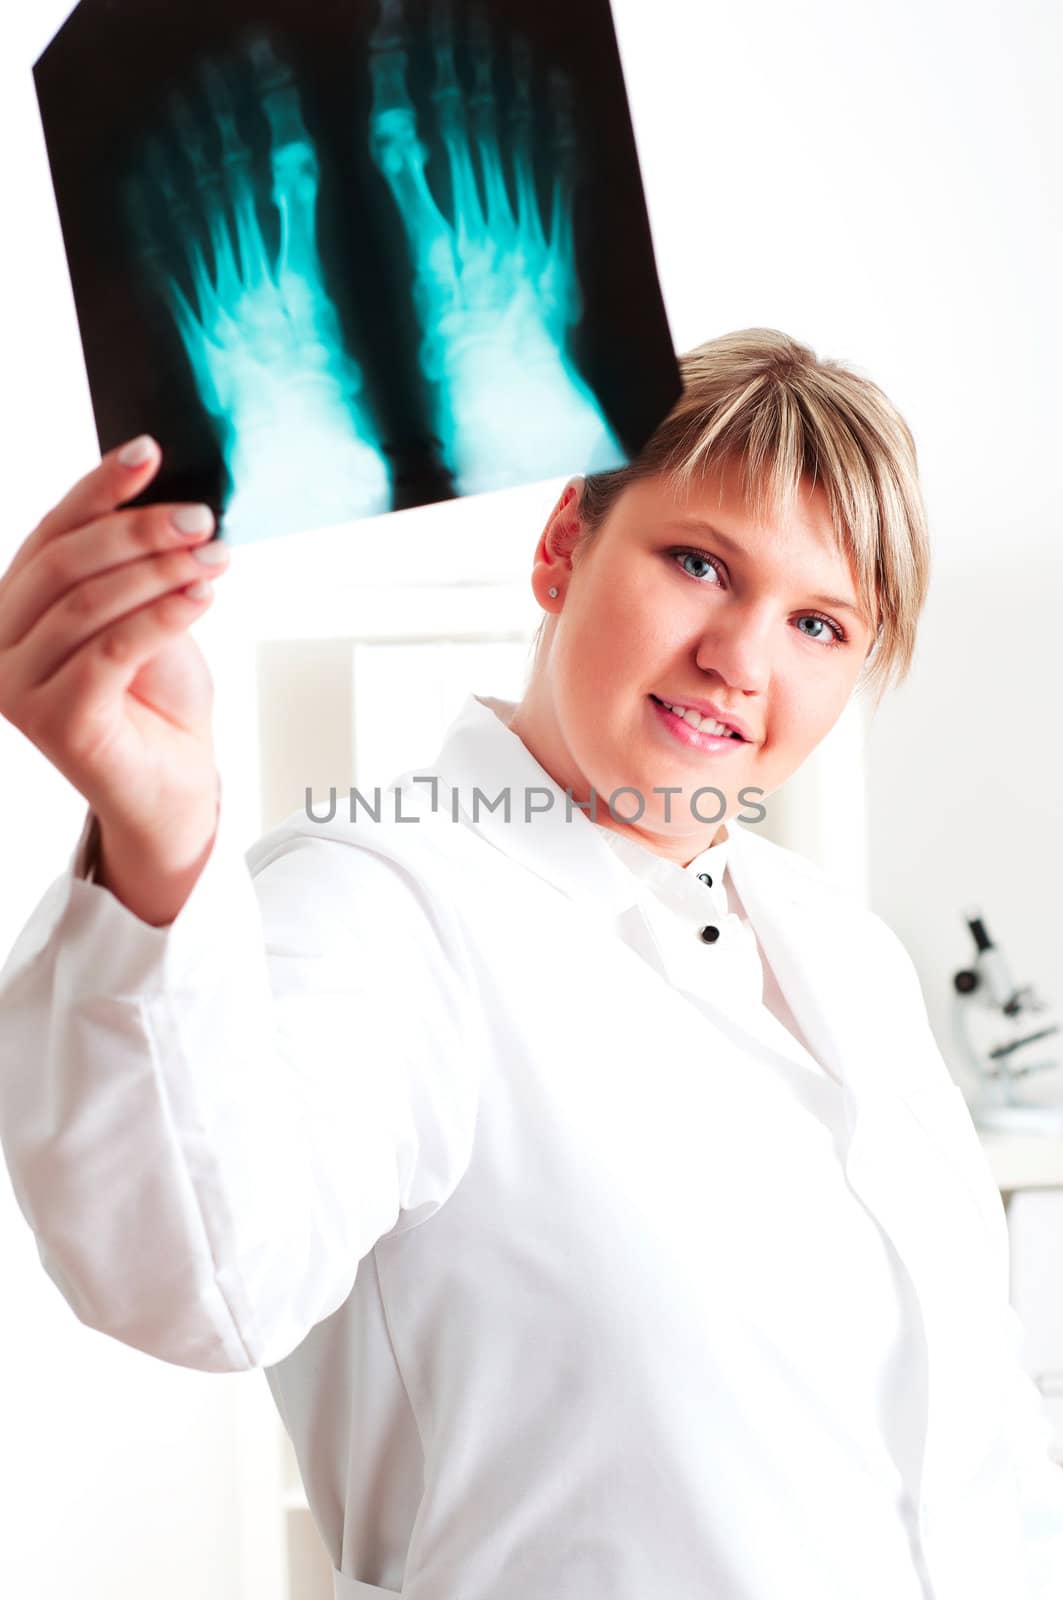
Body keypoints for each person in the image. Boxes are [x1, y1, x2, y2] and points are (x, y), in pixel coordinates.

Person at [0, 327, 1060, 1600]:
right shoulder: (382, 897)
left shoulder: (845, 950)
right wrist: (159, 836)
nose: (742, 658)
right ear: (564, 543)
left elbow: (980, 1430)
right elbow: (200, 1271)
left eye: (820, 623)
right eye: (697, 562)